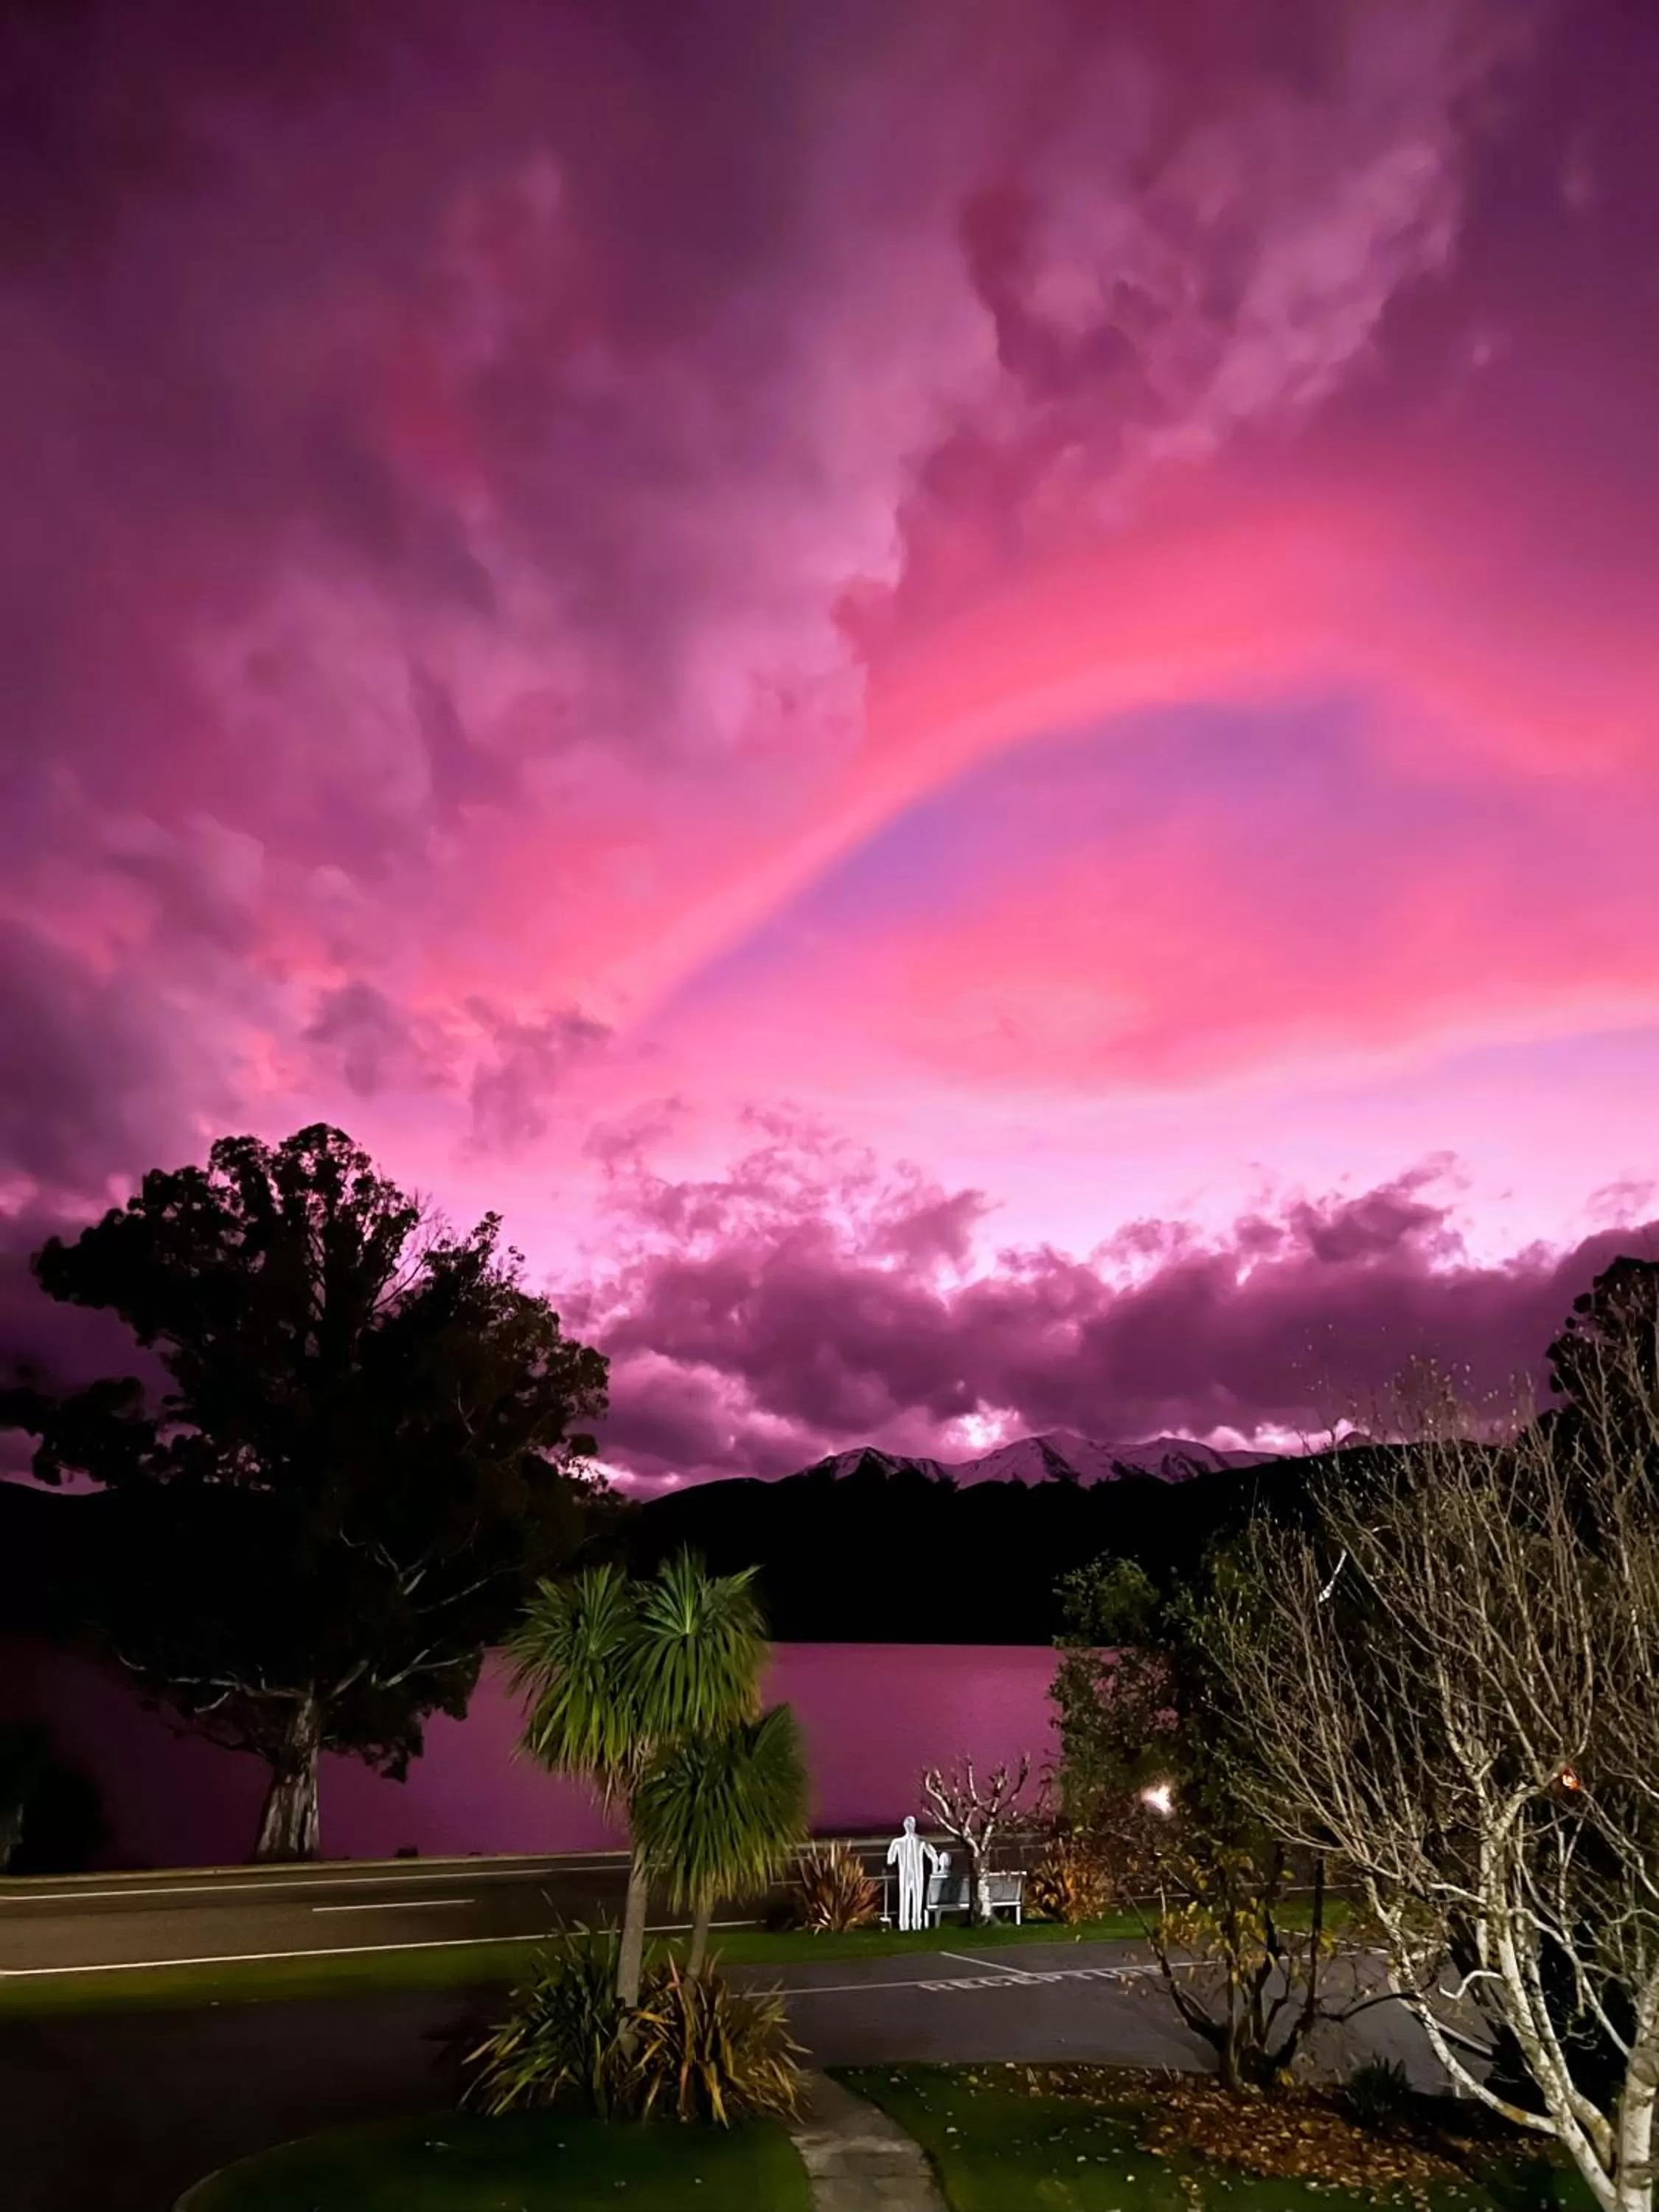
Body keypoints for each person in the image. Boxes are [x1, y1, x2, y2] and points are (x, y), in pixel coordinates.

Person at [886, 1815, 939, 1931]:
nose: (910, 1826)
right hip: (905, 1874)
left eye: (912, 1824)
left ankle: (916, 1924)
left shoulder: (921, 1841)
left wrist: (935, 1871)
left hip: (917, 1874)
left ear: (914, 1826)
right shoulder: (898, 1842)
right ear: (904, 1825)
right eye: (908, 1824)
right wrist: (890, 1863)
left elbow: (934, 1856)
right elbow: (890, 1859)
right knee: (904, 1898)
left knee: (917, 1898)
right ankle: (904, 1925)